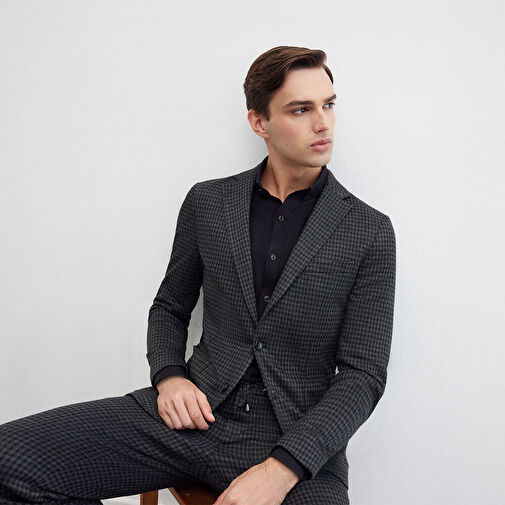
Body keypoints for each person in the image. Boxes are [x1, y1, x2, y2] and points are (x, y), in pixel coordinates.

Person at [0, 45, 396, 505]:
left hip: (296, 441)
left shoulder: (369, 230)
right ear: (259, 122)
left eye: (328, 105)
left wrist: (281, 469)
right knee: (8, 461)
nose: (323, 123)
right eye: (301, 109)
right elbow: (170, 307)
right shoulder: (209, 203)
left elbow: (363, 375)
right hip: (193, 413)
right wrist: (169, 376)